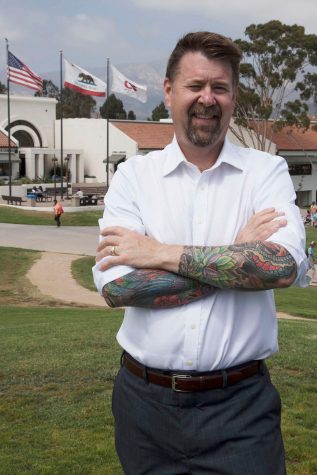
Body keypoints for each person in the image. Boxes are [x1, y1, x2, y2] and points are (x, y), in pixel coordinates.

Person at [93, 32, 309, 475]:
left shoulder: (265, 172)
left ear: (233, 97)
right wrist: (236, 255)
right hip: (144, 407)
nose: (207, 99)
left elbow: (281, 266)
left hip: (241, 409)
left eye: (220, 87)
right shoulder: (133, 178)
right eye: (195, 86)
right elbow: (120, 288)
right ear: (169, 92)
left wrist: (158, 253)